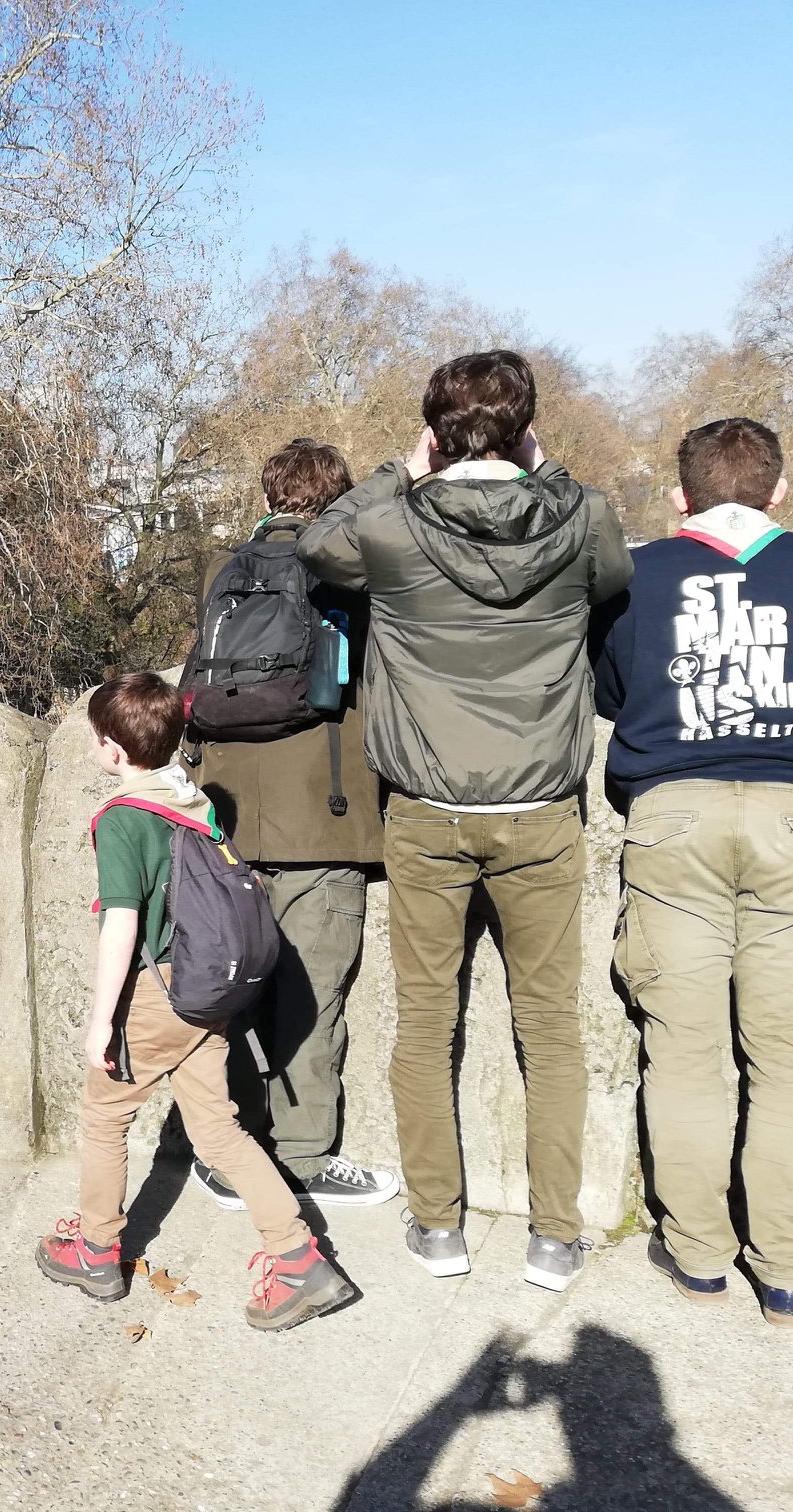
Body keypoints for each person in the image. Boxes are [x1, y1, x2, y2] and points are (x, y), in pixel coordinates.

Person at [300, 350, 632, 1292]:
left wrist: (402, 470)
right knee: (550, 1029)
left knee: (424, 1021)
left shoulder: (394, 529)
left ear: (436, 433)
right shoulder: (582, 519)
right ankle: (554, 1239)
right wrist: (548, 469)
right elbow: (612, 576)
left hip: (427, 814)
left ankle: (438, 1228)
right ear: (526, 429)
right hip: (541, 814)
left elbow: (316, 541)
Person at [35, 672, 354, 1331]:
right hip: (209, 994)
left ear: (113, 752)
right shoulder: (194, 803)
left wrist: (102, 1022)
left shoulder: (125, 819)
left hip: (156, 996)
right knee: (217, 1128)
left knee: (105, 1117)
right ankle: (297, 1255)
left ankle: (96, 1249)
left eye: (99, 741)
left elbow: (122, 924)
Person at [591, 416, 793, 1327]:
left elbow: (610, 690)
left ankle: (701, 1254)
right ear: (777, 491)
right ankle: (783, 1263)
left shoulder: (638, 576)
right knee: (786, 1060)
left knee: (683, 1053)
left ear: (682, 496)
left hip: (673, 815)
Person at [189, 439, 397, 1210]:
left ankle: (226, 1152)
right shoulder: (351, 572)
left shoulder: (221, 574)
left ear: (268, 491)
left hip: (227, 822)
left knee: (229, 990)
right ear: (336, 499)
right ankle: (305, 1157)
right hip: (326, 820)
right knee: (313, 998)